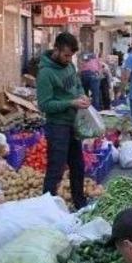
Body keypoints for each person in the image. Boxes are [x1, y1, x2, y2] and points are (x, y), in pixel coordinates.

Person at [36, 32, 89, 210]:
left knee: (78, 165)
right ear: (56, 49)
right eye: (66, 55)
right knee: (56, 169)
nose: (68, 59)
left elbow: (77, 84)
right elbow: (44, 105)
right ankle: (47, 208)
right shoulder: (45, 73)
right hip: (57, 126)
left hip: (74, 123)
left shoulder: (70, 66)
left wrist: (82, 95)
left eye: (71, 56)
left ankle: (80, 203)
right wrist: (70, 103)